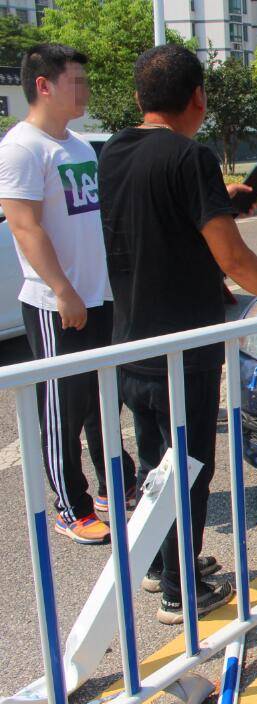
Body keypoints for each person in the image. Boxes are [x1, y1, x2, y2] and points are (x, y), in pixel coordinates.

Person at [98, 44, 257, 625]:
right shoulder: (189, 158)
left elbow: (161, 225)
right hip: (185, 346)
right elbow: (233, 258)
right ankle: (184, 592)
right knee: (190, 467)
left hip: (134, 343)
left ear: (137, 99)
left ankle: (160, 566)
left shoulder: (113, 153)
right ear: (197, 97)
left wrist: (217, 205)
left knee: (156, 467)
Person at [0, 43, 137, 545]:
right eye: (76, 81)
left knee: (104, 400)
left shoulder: (77, 147)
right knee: (64, 405)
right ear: (44, 85)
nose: (85, 90)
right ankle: (70, 506)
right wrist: (63, 289)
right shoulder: (21, 147)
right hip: (55, 302)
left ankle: (111, 490)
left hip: (97, 297)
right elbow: (24, 226)